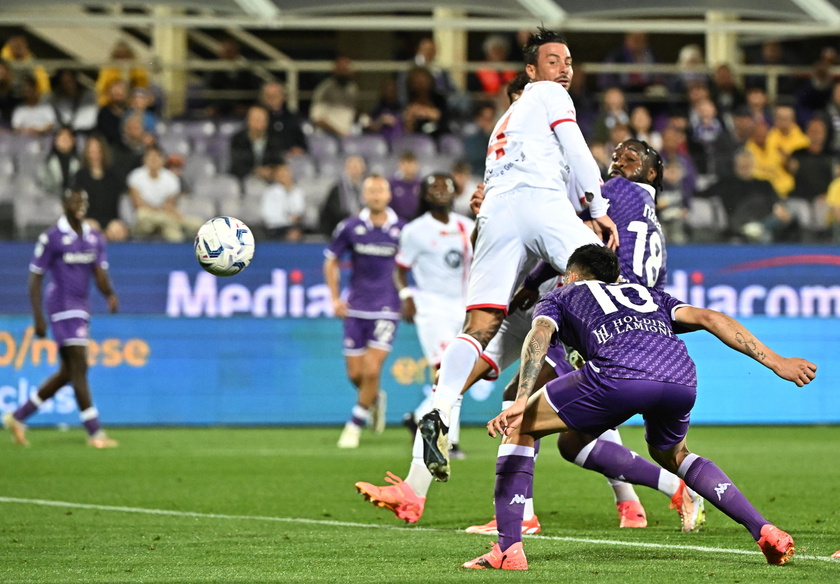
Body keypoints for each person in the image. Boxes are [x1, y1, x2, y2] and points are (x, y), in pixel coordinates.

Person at [352, 140, 671, 532]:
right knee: (453, 385)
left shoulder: (585, 179)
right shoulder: (640, 213)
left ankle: (530, 513)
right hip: (535, 298)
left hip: (566, 302)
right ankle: (415, 490)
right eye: (616, 157)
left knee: (533, 409)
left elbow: (564, 230)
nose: (617, 162)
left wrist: (505, 206)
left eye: (630, 158)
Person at [462, 244, 816, 570]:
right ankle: (763, 529)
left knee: (521, 426)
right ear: (615, 278)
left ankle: (508, 549)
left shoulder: (561, 295)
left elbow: (539, 335)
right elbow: (711, 318)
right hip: (680, 377)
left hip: (618, 377)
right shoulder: (647, 294)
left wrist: (522, 398)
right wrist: (777, 362)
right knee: (673, 454)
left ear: (570, 275)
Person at [416, 27, 617, 483]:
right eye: (553, 60)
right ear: (531, 72)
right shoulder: (548, 95)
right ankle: (613, 369)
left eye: (568, 61)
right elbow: (579, 152)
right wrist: (598, 210)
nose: (563, 68)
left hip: (497, 212)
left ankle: (440, 408)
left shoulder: (503, 122)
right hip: (539, 202)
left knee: (481, 323)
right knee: (602, 276)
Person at [2, 190, 119, 449]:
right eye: (75, 202)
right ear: (64, 205)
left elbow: (98, 272)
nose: (80, 206)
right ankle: (94, 432)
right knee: (79, 365)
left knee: (69, 372)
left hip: (82, 306)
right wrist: (38, 317)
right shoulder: (52, 237)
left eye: (84, 202)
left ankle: (18, 418)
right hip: (61, 306)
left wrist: (109, 294)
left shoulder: (94, 237)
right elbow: (35, 277)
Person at [392, 174, 475, 458]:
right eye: (434, 188)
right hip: (432, 308)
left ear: (456, 192)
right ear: (425, 196)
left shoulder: (468, 226)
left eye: (447, 187)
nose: (441, 192)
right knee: (449, 371)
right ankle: (448, 441)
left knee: (459, 373)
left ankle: (418, 418)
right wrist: (407, 297)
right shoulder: (415, 231)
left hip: (463, 308)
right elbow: (399, 268)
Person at [323, 175, 405, 449]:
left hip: (387, 307)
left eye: (381, 190)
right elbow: (331, 261)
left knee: (371, 369)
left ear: (389, 195)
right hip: (356, 307)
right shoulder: (350, 227)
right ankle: (374, 398)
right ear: (364, 196)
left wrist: (408, 295)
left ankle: (353, 425)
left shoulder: (402, 230)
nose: (376, 195)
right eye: (371, 190)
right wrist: (335, 298)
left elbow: (413, 264)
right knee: (355, 375)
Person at [127, 145, 201, 242]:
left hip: (165, 214)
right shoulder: (135, 176)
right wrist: (158, 210)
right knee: (142, 216)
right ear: (144, 160)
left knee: (185, 229)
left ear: (162, 160)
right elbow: (138, 204)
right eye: (150, 157)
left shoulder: (171, 179)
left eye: (157, 157)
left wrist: (177, 216)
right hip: (147, 215)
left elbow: (169, 205)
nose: (154, 160)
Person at [73, 134, 129, 242]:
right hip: (89, 219)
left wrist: (122, 223)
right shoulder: (80, 176)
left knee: (118, 230)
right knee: (90, 230)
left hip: (112, 220)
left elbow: (124, 200)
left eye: (97, 150)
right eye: (91, 150)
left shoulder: (114, 175)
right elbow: (76, 204)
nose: (94, 154)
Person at [228, 104, 285, 182]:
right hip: (242, 180)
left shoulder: (274, 140)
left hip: (269, 181)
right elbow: (237, 164)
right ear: (248, 120)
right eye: (256, 119)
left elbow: (278, 161)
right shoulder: (238, 139)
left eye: (262, 120)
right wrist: (255, 171)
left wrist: (272, 171)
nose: (259, 123)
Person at [310, 56, 359, 137]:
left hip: (347, 135)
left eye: (347, 70)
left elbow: (352, 113)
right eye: (342, 69)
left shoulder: (352, 88)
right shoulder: (325, 89)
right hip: (326, 136)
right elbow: (317, 119)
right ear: (335, 70)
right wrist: (338, 132)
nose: (345, 73)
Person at [319, 155, 366, 236]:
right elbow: (333, 212)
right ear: (346, 169)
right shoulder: (337, 189)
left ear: (363, 169)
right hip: (339, 229)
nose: (354, 170)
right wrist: (355, 215)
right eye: (352, 167)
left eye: (357, 167)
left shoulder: (366, 187)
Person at [94, 40, 151, 107]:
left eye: (126, 55)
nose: (123, 59)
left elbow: (143, 88)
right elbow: (101, 90)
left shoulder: (137, 68)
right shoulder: (108, 69)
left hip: (134, 103)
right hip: (111, 104)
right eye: (119, 56)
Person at [258, 81, 308, 157]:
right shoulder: (257, 118)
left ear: (283, 97)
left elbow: (301, 143)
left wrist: (298, 148)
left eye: (275, 95)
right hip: (265, 158)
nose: (272, 99)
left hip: (290, 159)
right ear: (263, 98)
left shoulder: (293, 117)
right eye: (268, 96)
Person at [260, 162, 305, 241]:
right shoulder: (270, 192)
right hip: (276, 228)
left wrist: (295, 218)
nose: (286, 177)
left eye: (287, 173)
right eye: (282, 175)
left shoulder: (297, 191)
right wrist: (288, 219)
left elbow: (300, 210)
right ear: (276, 177)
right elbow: (268, 216)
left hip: (294, 226)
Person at [38, 126, 81, 198]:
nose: (65, 140)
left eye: (68, 137)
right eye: (61, 137)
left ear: (73, 140)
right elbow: (45, 185)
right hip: (52, 200)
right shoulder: (46, 162)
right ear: (55, 140)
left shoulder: (80, 162)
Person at [388, 150, 422, 222]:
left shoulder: (420, 184)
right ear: (400, 165)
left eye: (411, 164)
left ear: (417, 166)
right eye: (405, 164)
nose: (408, 167)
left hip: (416, 221)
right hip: (397, 221)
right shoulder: (392, 184)